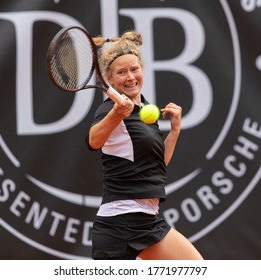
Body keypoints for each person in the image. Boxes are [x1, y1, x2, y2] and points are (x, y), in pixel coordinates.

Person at [86, 30, 203, 260]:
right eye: (121, 72)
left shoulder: (145, 111)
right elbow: (93, 140)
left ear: (142, 70)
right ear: (109, 79)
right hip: (118, 223)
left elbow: (156, 168)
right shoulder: (110, 109)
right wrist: (116, 114)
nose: (130, 77)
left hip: (147, 220)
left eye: (134, 69)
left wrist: (175, 132)